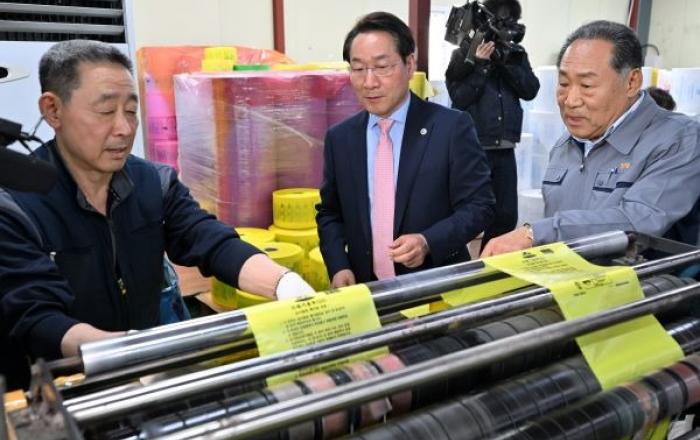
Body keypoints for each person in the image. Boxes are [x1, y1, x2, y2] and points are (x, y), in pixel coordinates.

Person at [0, 40, 313, 389]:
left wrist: (286, 284)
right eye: (106, 111)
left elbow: (209, 240)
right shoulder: (16, 205)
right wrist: (120, 351)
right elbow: (36, 316)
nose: (124, 128)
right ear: (53, 110)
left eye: (131, 111)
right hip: (65, 390)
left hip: (144, 383)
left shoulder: (153, 183)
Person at [481, 20, 700, 257]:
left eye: (586, 85)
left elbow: (638, 221)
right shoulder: (566, 145)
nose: (570, 100)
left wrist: (537, 233)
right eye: (564, 83)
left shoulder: (679, 139)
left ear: (631, 82)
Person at [316, 12, 495, 287]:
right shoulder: (340, 138)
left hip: (434, 287)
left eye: (382, 67)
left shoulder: (450, 128)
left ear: (409, 65)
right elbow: (330, 213)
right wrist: (339, 265)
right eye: (358, 68)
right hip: (365, 286)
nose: (369, 82)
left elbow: (479, 206)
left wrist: (428, 241)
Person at [445, 0, 539, 250]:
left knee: (506, 216)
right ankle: (456, 262)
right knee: (468, 213)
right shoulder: (464, 52)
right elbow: (459, 98)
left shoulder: (515, 54)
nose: (510, 27)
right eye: (505, 21)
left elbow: (530, 90)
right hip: (473, 148)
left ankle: (490, 261)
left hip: (505, 148)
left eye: (513, 22)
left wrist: (505, 62)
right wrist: (480, 65)